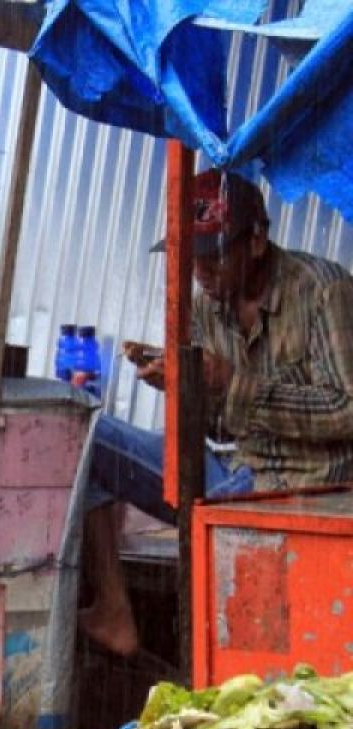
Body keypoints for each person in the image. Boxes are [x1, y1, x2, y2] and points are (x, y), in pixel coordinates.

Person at [81, 169, 353, 656]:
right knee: (88, 436)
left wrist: (230, 381)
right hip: (237, 471)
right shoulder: (210, 307)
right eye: (192, 258)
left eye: (212, 256)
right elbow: (220, 428)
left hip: (307, 488)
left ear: (256, 240)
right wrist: (183, 388)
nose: (200, 271)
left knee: (223, 505)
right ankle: (114, 610)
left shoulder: (323, 292)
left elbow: (347, 409)